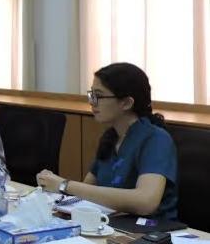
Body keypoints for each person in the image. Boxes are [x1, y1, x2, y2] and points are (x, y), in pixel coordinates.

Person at [37, 63, 178, 219]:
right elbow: (85, 191)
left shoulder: (156, 139)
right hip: (110, 225)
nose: (92, 102)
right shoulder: (111, 137)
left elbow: (146, 202)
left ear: (126, 103)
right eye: (92, 94)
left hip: (150, 231)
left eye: (99, 95)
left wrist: (64, 185)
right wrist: (53, 185)